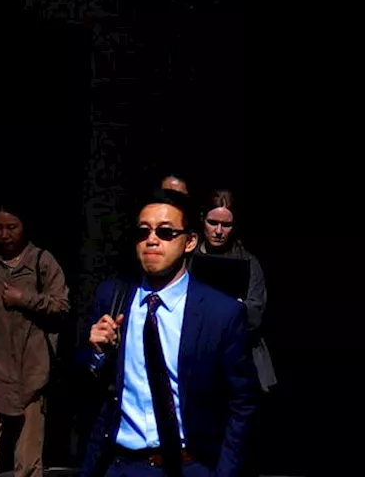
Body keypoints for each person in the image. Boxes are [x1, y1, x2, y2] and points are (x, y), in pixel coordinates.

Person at [78, 188, 257, 477]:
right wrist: (96, 354)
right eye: (143, 232)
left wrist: (225, 471)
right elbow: (86, 387)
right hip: (122, 464)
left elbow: (243, 402)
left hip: (191, 465)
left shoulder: (220, 313)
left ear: (190, 242)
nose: (151, 240)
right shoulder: (112, 297)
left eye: (165, 232)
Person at [0, 201, 71, 477]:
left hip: (32, 371)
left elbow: (62, 307)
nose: (4, 235)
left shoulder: (42, 262)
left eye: (11, 227)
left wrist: (24, 299)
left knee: (28, 460)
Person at [191, 189, 275, 392]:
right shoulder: (188, 260)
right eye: (213, 223)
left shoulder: (248, 262)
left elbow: (254, 315)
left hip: (237, 358)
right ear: (203, 220)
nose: (219, 231)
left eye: (226, 225)